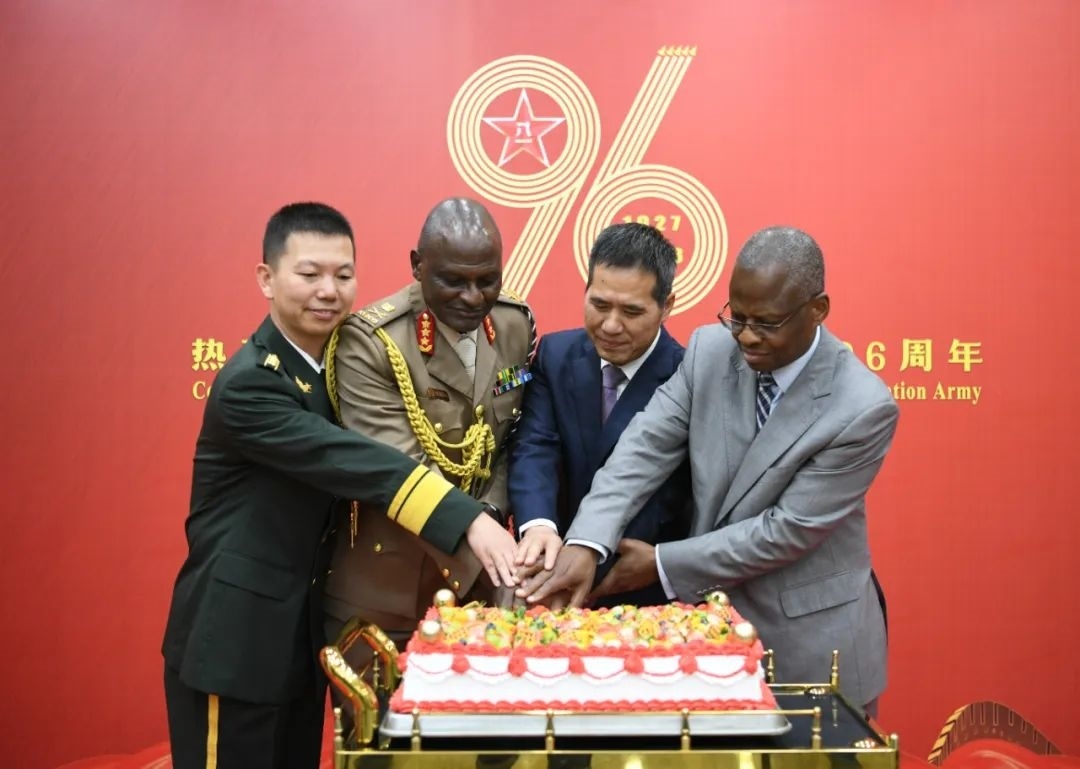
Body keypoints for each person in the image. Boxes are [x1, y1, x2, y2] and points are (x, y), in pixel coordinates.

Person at [161, 202, 517, 769]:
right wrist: (470, 520)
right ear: (267, 278)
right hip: (237, 640)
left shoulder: (328, 365)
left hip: (300, 639)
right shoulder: (251, 385)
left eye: (343, 274)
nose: (328, 291)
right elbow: (364, 464)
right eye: (309, 274)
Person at [518, 226, 898, 714]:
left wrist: (661, 564)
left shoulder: (862, 406)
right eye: (737, 317)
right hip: (704, 641)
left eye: (767, 323)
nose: (747, 336)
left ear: (817, 310)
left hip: (810, 646)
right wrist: (588, 542)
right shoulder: (711, 350)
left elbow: (785, 531)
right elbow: (643, 448)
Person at [323, 197, 536, 651]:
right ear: (418, 266)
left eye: (487, 280)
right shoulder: (371, 343)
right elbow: (399, 468)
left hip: (481, 594)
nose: (473, 297)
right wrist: (491, 554)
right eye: (453, 281)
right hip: (388, 596)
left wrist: (491, 514)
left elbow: (507, 441)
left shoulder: (514, 324)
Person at [508, 222, 691, 606]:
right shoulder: (554, 355)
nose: (610, 325)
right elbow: (535, 446)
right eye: (600, 304)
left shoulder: (688, 375)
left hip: (644, 593)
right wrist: (538, 526)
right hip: (549, 580)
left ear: (667, 306)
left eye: (632, 311)